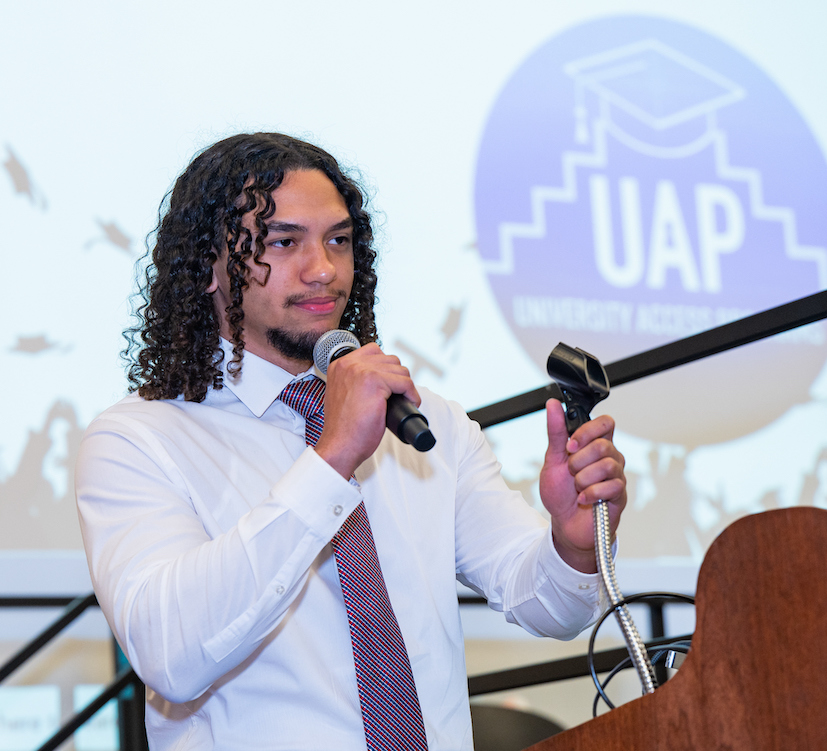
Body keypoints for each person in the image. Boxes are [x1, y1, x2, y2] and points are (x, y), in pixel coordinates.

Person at [75, 132, 627, 750]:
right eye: (284, 242)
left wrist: (573, 546)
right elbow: (171, 654)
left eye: (338, 240)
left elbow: (552, 609)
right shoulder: (138, 440)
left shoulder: (426, 423)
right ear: (208, 266)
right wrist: (331, 457)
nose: (325, 269)